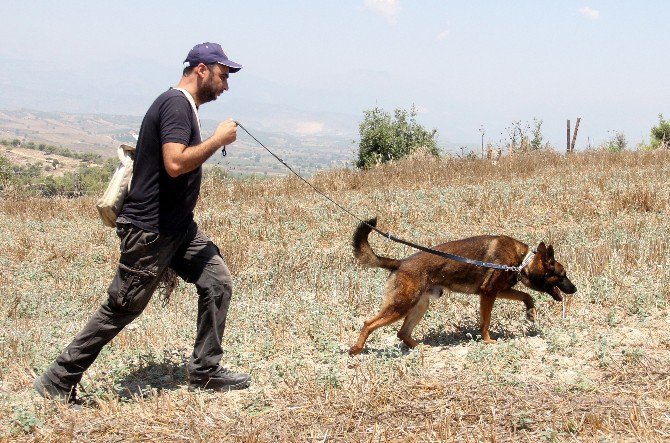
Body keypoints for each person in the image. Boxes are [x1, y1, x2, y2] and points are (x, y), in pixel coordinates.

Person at [34, 42, 251, 403]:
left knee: (216, 281)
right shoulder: (176, 105)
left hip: (178, 229)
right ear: (202, 69)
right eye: (223, 76)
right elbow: (176, 163)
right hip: (152, 231)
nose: (225, 86)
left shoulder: (183, 106)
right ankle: (57, 381)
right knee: (122, 308)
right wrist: (217, 140)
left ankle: (205, 370)